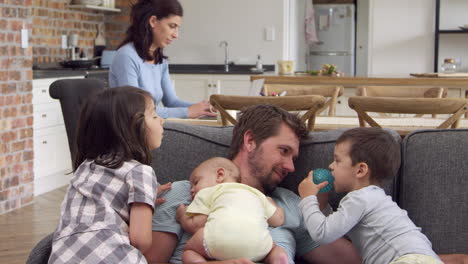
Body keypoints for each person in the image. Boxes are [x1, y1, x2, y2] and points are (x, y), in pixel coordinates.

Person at [146, 104, 361, 264]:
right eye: (283, 151)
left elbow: (354, 259)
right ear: (250, 142)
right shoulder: (185, 192)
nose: (291, 167)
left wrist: (336, 199)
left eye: (294, 158)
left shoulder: (293, 205)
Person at [48, 86, 165, 263]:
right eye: (154, 115)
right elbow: (141, 241)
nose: (161, 120)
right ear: (132, 126)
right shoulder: (140, 172)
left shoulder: (84, 168)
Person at [297, 127, 442, 264]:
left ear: (360, 170)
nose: (331, 166)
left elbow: (322, 234)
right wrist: (321, 203)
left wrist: (308, 198)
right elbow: (337, 225)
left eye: (337, 160)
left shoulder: (358, 199)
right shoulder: (372, 198)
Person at [109, 0, 216, 119]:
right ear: (153, 21)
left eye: (177, 28)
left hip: (152, 126)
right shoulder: (126, 57)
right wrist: (187, 112)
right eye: (172, 26)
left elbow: (172, 102)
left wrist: (204, 109)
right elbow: (136, 111)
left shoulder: (160, 61)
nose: (176, 35)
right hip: (130, 132)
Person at [176, 157, 288, 263]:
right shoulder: (257, 194)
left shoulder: (207, 192)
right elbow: (278, 220)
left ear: (220, 175)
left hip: (218, 241)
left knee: (188, 252)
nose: (192, 189)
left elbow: (196, 225)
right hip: (258, 245)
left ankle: (199, 262)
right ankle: (277, 258)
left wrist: (182, 216)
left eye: (196, 182)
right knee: (274, 248)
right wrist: (271, 202)